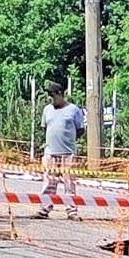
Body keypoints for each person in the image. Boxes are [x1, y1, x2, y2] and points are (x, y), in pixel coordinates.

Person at [35, 81, 86, 221]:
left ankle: (72, 211)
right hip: (50, 152)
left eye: (52, 95)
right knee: (49, 183)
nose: (50, 99)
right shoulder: (47, 110)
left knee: (69, 183)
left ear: (59, 94)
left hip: (68, 153)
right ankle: (44, 209)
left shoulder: (74, 110)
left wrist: (69, 140)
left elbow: (80, 129)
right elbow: (45, 128)